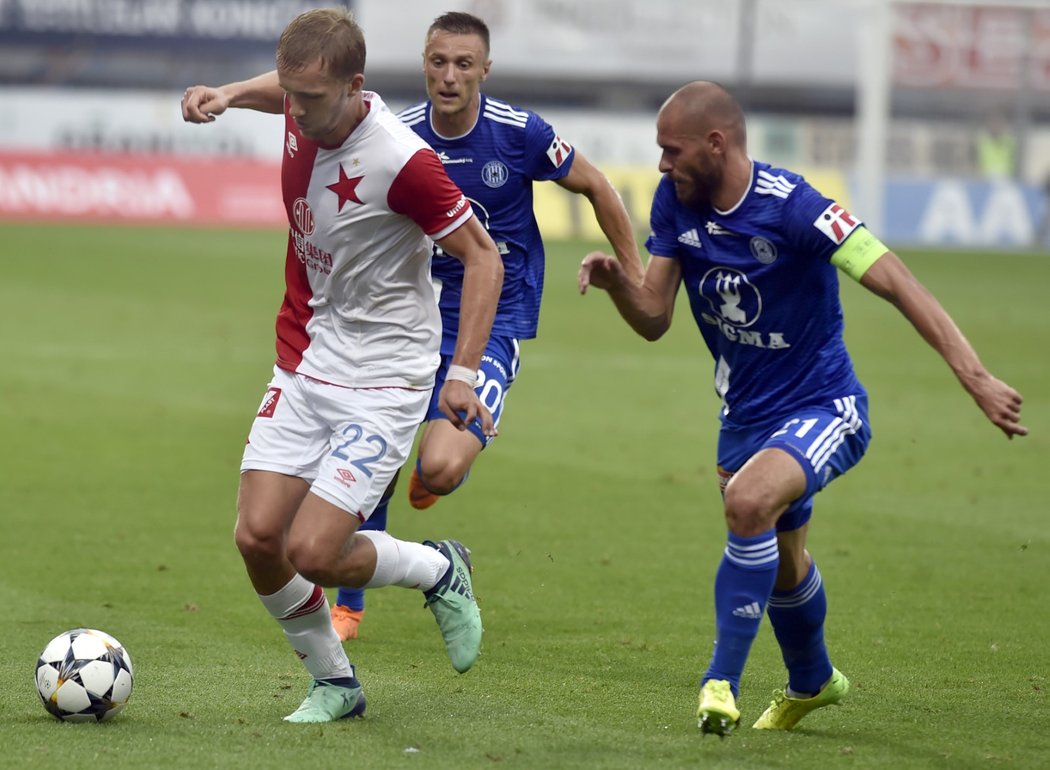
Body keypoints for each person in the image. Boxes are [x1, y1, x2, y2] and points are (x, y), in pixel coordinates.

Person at [578, 81, 1027, 736]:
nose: (662, 165)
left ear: (716, 143)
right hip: (745, 418)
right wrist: (621, 283)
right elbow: (654, 318)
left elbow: (896, 279)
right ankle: (814, 680)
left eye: (671, 151)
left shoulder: (796, 207)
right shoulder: (676, 203)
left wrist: (974, 375)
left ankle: (720, 685)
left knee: (748, 504)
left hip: (826, 405)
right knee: (784, 563)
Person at [180, 8, 504, 723]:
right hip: (305, 359)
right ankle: (336, 682)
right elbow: (289, 85)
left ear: (355, 87)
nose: (295, 111)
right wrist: (233, 93)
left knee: (314, 551)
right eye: (289, 95)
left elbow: (484, 258)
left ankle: (438, 568)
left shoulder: (401, 160)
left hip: (385, 377)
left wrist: (463, 372)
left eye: (311, 99)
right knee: (259, 539)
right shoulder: (305, 102)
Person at [327, 11, 644, 640]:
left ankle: (431, 482)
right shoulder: (398, 135)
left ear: (484, 70)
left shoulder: (520, 134)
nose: (449, 76)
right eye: (438, 62)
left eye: (463, 65)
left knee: (439, 468)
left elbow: (598, 186)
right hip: (409, 321)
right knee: (374, 460)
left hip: (494, 321)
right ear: (424, 62)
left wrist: (636, 275)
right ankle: (349, 605)